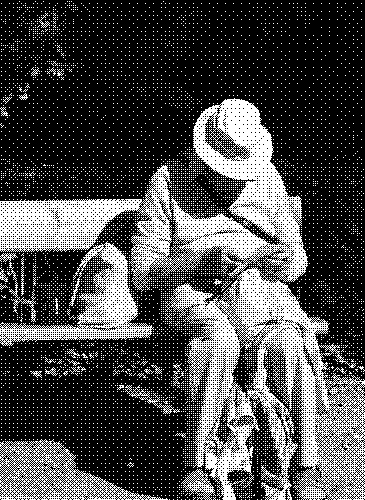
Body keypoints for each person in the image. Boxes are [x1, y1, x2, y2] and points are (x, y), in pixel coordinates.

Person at [130, 99, 329, 500]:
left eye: (240, 173)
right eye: (225, 172)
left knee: (288, 345)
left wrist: (281, 257)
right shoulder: (168, 182)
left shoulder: (266, 180)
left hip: (253, 299)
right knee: (216, 335)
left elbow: (295, 263)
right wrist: (198, 260)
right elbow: (142, 272)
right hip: (184, 295)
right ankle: (198, 468)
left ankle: (297, 470)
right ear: (205, 158)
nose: (235, 181)